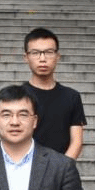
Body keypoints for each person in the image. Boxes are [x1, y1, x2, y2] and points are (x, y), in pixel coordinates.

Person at [22, 28, 87, 159]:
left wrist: (61, 167)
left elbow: (77, 142)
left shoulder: (72, 96)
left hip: (62, 167)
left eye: (49, 52)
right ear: (26, 57)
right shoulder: (18, 96)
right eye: (35, 53)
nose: (42, 59)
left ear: (58, 56)